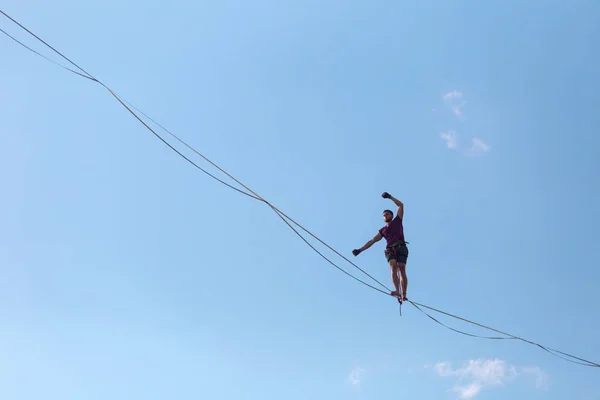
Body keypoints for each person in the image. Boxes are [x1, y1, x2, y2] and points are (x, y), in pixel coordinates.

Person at [352, 192, 409, 300]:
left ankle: (404, 294)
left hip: (401, 247)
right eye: (384, 215)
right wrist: (360, 250)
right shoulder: (383, 230)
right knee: (393, 266)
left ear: (391, 215)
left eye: (387, 214)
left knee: (401, 268)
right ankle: (397, 290)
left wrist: (390, 197)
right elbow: (372, 241)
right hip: (390, 249)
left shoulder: (398, 221)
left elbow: (401, 205)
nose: (385, 216)